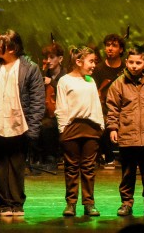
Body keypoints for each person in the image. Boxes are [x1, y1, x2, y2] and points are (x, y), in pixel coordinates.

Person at [0, 29, 45, 217]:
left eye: (0, 44)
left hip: (19, 125)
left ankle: (16, 203)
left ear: (12, 48)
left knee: (17, 166)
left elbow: (37, 100)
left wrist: (33, 128)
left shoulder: (30, 68)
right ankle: (3, 204)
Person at [106, 44, 144, 217]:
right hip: (127, 135)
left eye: (138, 63)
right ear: (126, 62)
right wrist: (113, 128)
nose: (134, 66)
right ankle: (126, 203)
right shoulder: (118, 84)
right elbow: (112, 108)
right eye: (131, 62)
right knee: (128, 173)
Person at [55, 46, 104, 217]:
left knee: (89, 167)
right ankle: (71, 203)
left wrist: (100, 125)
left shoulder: (91, 81)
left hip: (90, 128)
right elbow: (61, 107)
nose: (93, 65)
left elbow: (96, 104)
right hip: (72, 128)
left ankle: (89, 203)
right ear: (78, 61)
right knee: (71, 167)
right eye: (91, 61)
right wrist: (63, 129)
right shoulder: (65, 81)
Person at [92, 33, 126, 166]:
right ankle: (108, 157)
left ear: (121, 49)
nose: (110, 48)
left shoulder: (125, 69)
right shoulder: (98, 69)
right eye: (108, 45)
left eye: (114, 45)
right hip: (103, 108)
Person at [35, 42, 66, 171]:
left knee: (47, 126)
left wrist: (52, 82)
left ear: (60, 58)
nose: (48, 61)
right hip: (45, 112)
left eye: (52, 57)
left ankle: (51, 158)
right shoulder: (43, 74)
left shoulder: (66, 76)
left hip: (61, 113)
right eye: (46, 58)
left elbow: (66, 92)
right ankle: (36, 159)